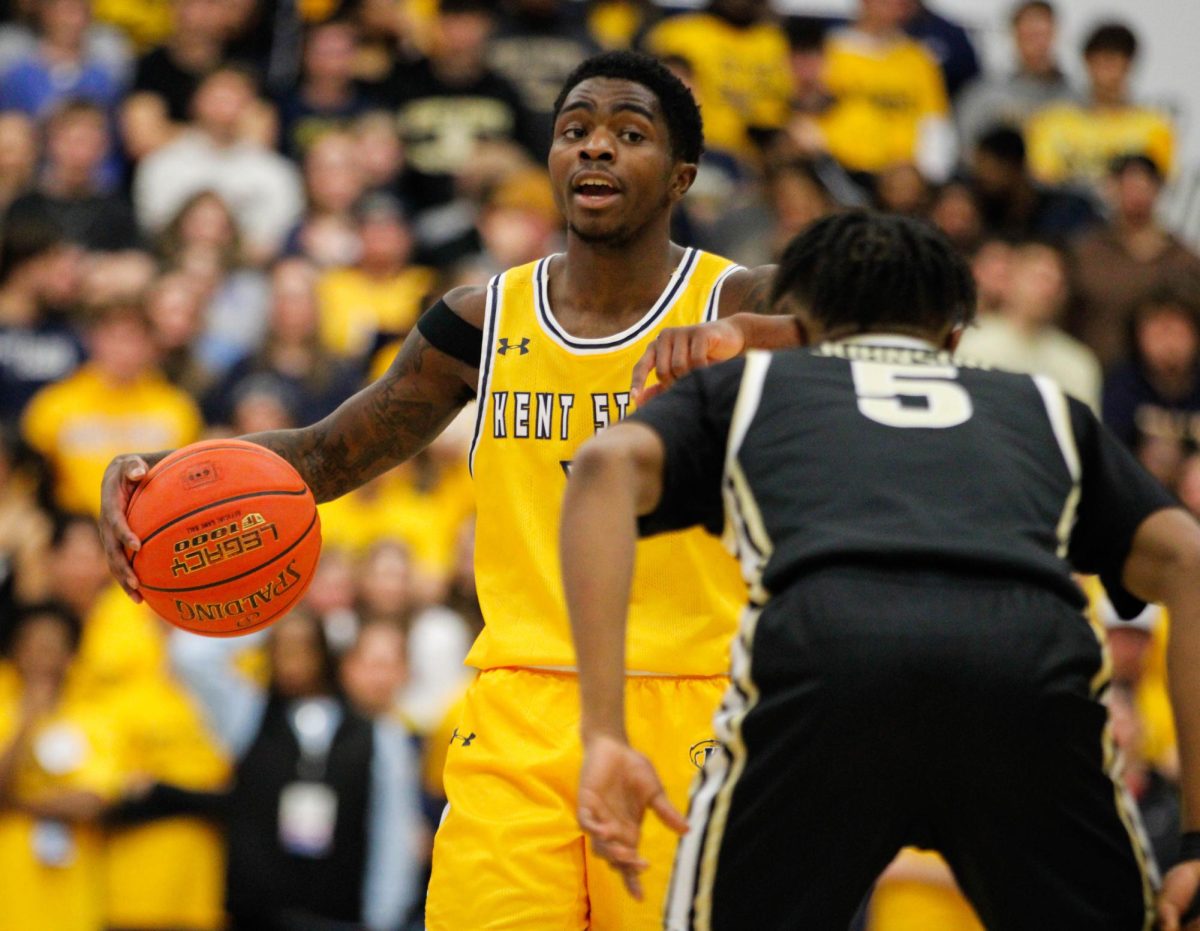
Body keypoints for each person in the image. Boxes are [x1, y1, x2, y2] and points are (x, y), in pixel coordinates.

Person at [99, 50, 796, 928]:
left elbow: (910, 322)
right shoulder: (482, 318)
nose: (595, 150)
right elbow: (318, 458)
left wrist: (761, 336)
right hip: (518, 705)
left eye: (629, 134)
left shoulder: (735, 297)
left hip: (690, 694)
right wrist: (157, 480)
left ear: (682, 176)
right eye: (574, 130)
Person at [559, 210, 1200, 930]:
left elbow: (603, 467)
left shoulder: (762, 383)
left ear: (796, 328)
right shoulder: (1045, 404)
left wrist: (606, 733)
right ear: (956, 334)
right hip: (1025, 667)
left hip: (829, 654)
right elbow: (1189, 561)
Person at [1027, 20, 1174, 191]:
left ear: (1130, 65)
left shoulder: (1154, 127)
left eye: (1117, 62)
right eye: (1103, 61)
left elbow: (1158, 188)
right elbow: (1043, 179)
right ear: (1087, 62)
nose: (1109, 72)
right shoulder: (1052, 121)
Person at [955, 0, 1076, 150]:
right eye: (1029, 35)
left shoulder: (1077, 95)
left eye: (1042, 34)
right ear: (1014, 35)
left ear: (1055, 34)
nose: (1037, 44)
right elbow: (968, 151)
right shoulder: (983, 96)